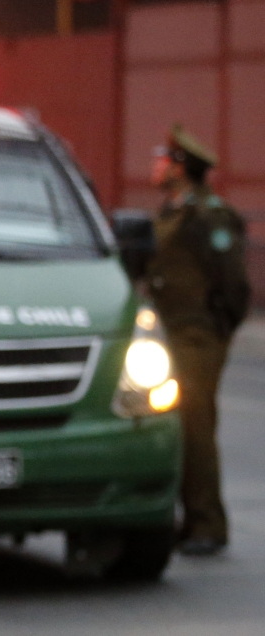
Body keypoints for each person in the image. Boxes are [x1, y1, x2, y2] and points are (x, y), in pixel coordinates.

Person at [146, 123, 251, 556]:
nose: (156, 165)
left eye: (163, 159)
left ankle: (208, 524)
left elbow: (233, 284)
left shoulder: (210, 215)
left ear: (180, 168)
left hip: (196, 335)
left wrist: (217, 327)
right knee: (169, 428)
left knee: (195, 427)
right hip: (167, 334)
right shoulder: (171, 211)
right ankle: (183, 519)